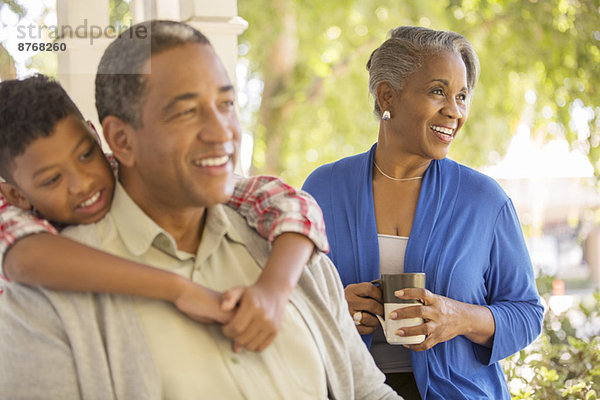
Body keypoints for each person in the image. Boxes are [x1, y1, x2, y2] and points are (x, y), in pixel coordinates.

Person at [0, 20, 400, 399]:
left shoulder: (289, 248)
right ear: (120, 140)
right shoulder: (42, 303)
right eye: (186, 112)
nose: (221, 131)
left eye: (226, 102)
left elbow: (367, 391)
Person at [0, 74, 329, 352]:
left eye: (86, 154)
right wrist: (180, 289)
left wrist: (273, 290)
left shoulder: (128, 171)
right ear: (15, 194)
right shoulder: (13, 219)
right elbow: (25, 257)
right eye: (53, 179)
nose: (82, 183)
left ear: (95, 133)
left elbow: (289, 203)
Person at [303, 26, 544, 400]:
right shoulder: (323, 189)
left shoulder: (485, 200)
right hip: (345, 389)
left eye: (462, 96)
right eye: (438, 91)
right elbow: (287, 300)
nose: (454, 111)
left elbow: (527, 313)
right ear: (388, 96)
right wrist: (335, 306)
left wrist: (458, 318)